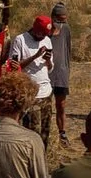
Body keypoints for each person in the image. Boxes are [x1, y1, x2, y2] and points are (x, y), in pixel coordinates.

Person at [8, 14, 57, 142]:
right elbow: (14, 67)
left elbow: (50, 68)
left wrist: (48, 61)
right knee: (31, 130)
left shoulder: (47, 40)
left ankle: (42, 157)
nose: (42, 37)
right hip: (30, 92)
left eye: (45, 34)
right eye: (41, 34)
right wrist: (35, 56)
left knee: (45, 130)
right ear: (35, 29)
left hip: (46, 91)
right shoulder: (20, 40)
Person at [46, 2, 74, 144]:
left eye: (64, 19)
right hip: (45, 74)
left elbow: (68, 51)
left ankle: (62, 133)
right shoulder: (44, 30)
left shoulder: (66, 29)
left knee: (61, 105)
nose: (61, 22)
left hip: (61, 72)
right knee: (44, 105)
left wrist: (67, 69)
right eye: (59, 19)